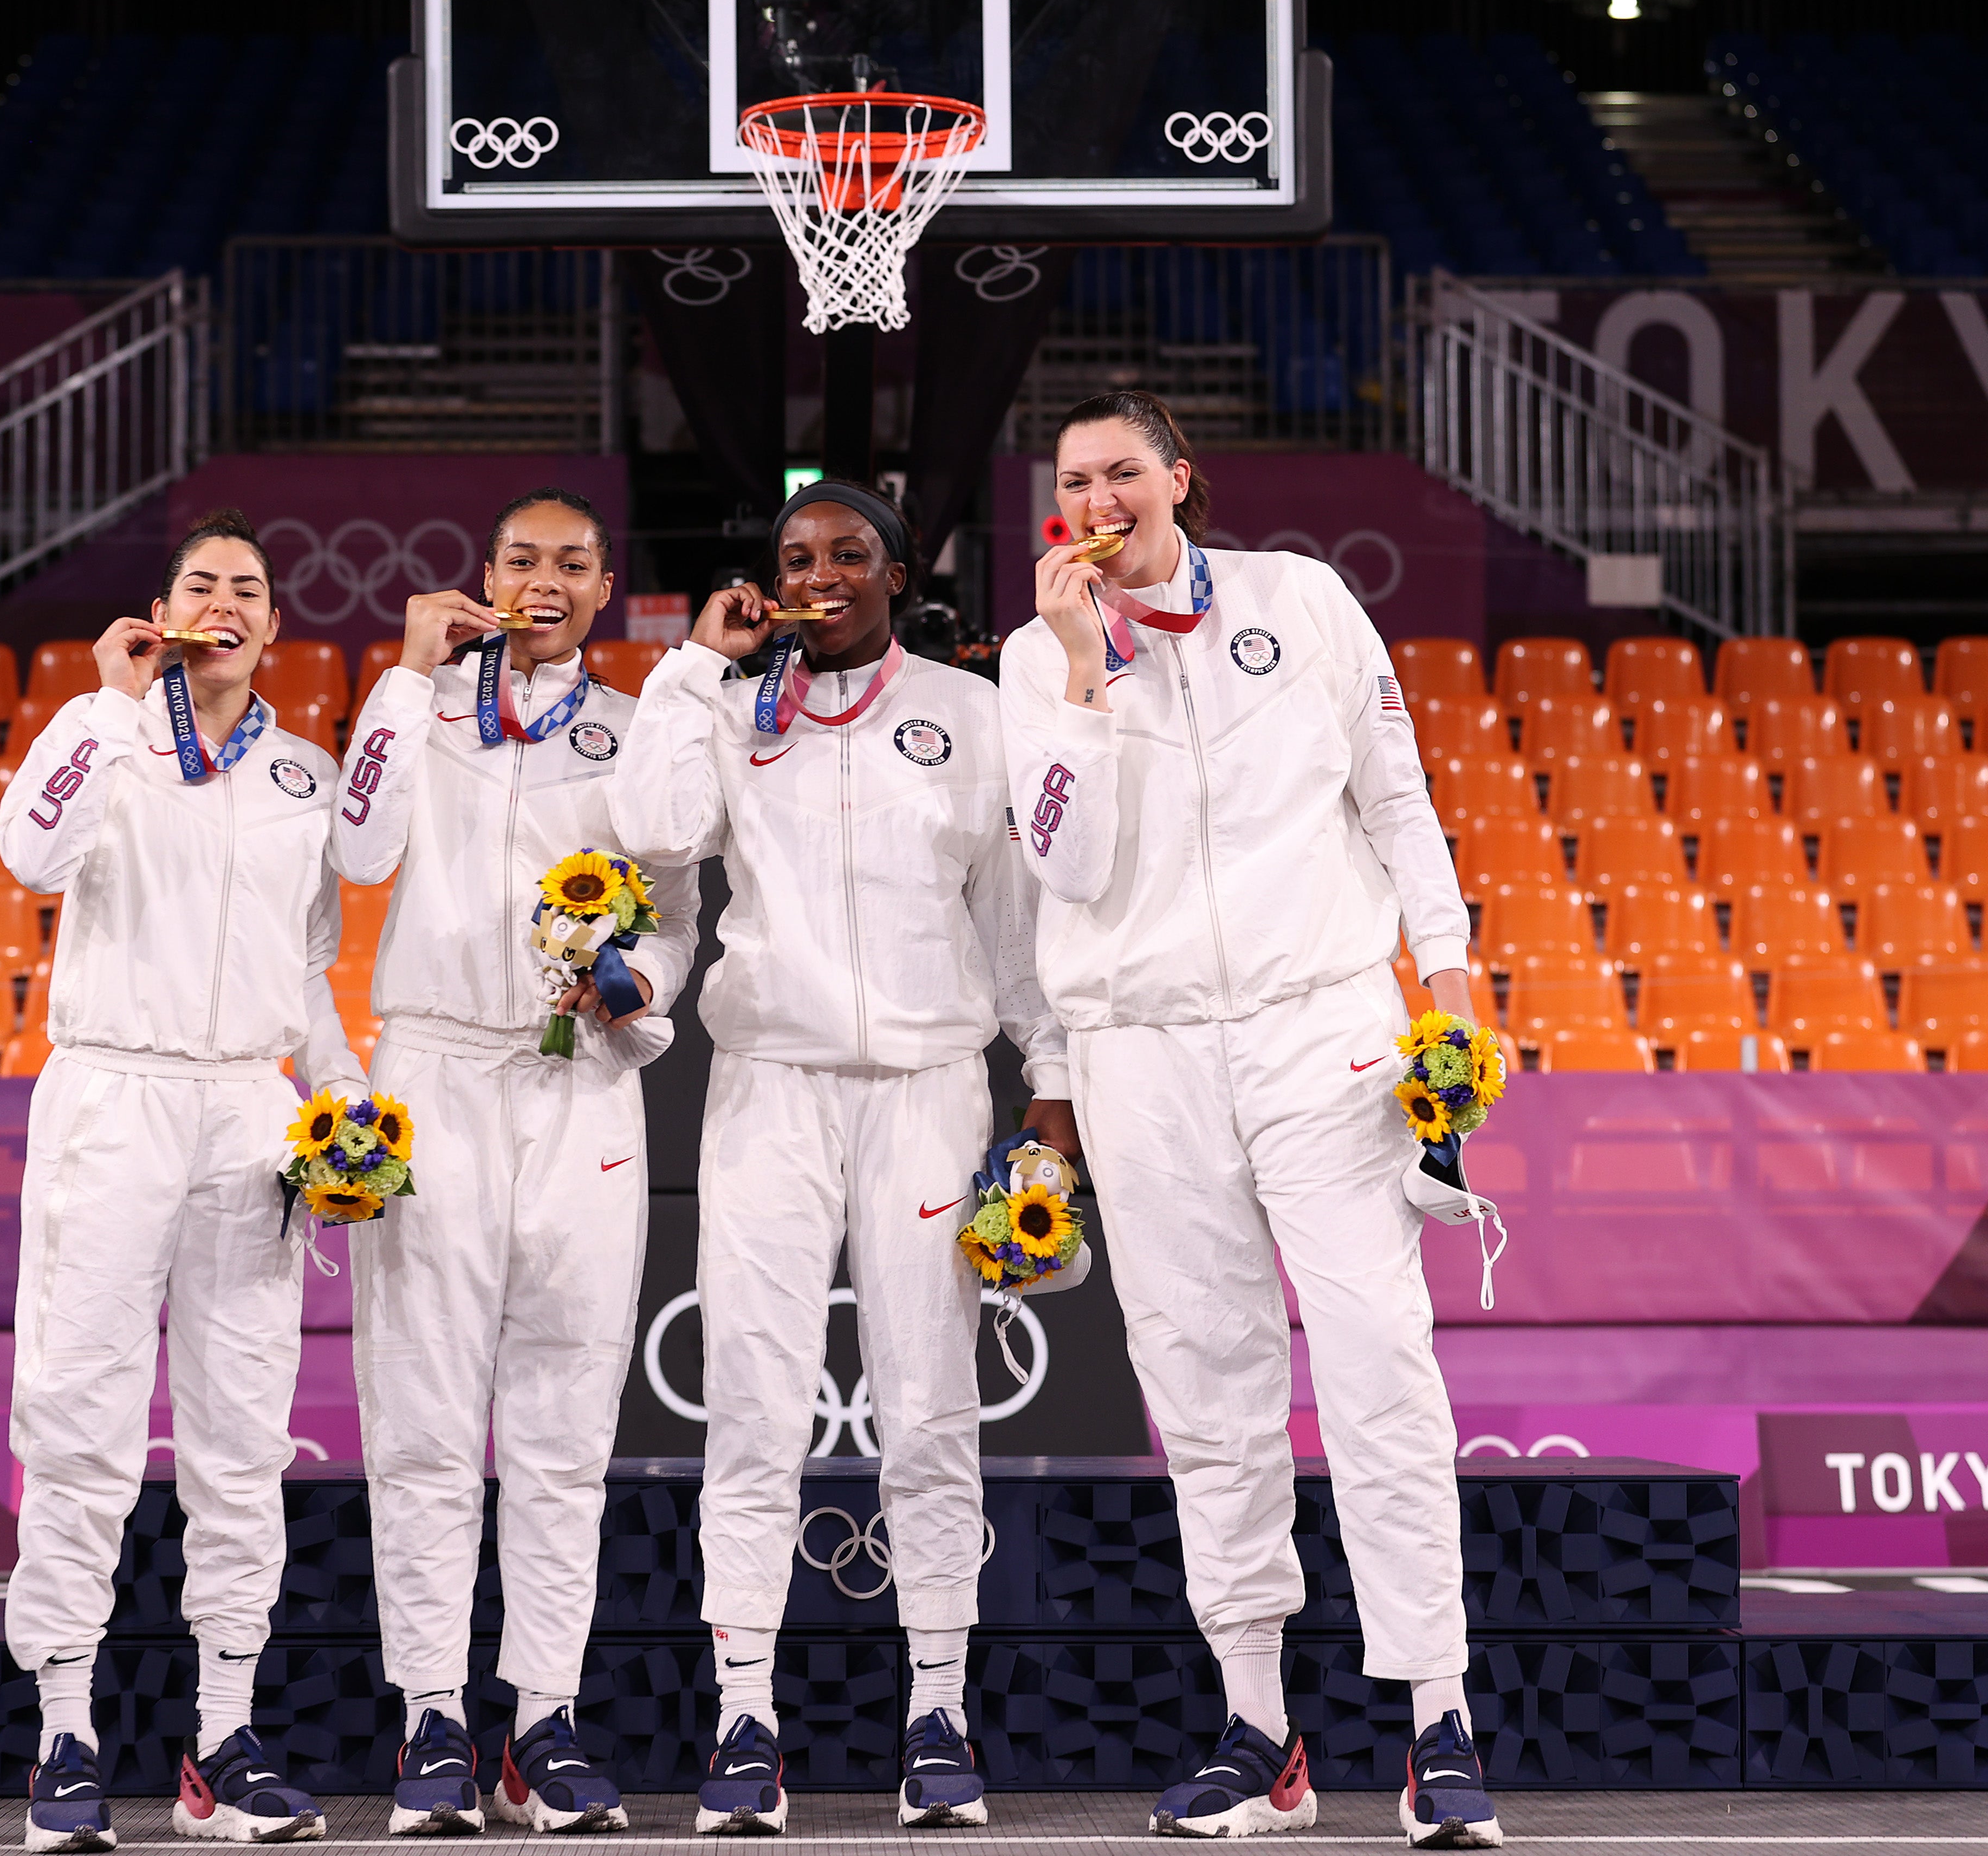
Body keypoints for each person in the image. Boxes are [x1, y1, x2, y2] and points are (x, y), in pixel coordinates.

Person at [996, 391, 1501, 1849]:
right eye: (1073, 481)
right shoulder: (1040, 661)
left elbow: (1397, 798)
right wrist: (1089, 680)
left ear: (1178, 481)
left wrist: (1449, 981)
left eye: (1122, 472)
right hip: (1143, 1053)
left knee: (1379, 1362)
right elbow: (1069, 872)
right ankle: (1260, 1728)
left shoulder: (1302, 599)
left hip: (1323, 1026)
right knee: (1207, 1389)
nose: (1098, 499)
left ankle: (1440, 1718)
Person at [609, 479, 1078, 1837]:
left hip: (931, 1089)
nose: (820, 574)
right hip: (766, 1088)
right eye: (795, 557)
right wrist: (704, 661)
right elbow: (647, 830)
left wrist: (1044, 1092)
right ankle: (744, 1717)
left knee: (929, 1409)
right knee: (750, 1405)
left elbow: (1015, 926)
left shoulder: (971, 714)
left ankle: (936, 1711)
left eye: (847, 554)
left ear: (895, 570)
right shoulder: (733, 710)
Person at [329, 486, 701, 1835]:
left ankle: (539, 1720)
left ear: (605, 587)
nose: (544, 581)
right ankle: (431, 1718)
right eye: (520, 561)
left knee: (563, 1430)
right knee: (422, 1424)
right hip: (429, 1073)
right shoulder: (417, 708)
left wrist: (638, 983)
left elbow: (676, 910)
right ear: (483, 574)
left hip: (579, 1083)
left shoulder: (628, 732)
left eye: (571, 564)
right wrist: (400, 677)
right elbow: (357, 848)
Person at [0, 507, 361, 1851]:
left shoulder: (304, 776)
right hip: (111, 1089)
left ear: (273, 627)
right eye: (201, 584)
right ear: (162, 612)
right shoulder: (102, 738)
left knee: (241, 1431)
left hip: (248, 1109)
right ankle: (63, 1736)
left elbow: (309, 967)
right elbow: (25, 857)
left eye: (249, 589)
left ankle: (223, 1735)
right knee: (79, 1412)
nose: (225, 602)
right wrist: (106, 706)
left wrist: (342, 1104)